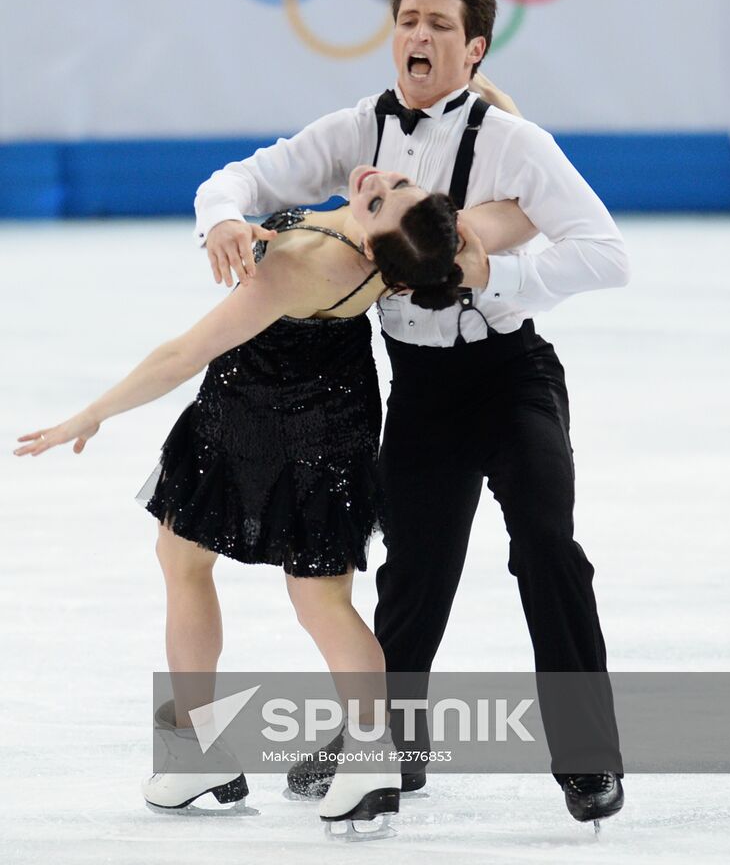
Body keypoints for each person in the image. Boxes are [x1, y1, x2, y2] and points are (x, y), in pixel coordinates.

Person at [193, 0, 630, 828]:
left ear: (474, 51)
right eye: (408, 22)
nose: (418, 36)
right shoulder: (362, 128)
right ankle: (390, 746)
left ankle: (588, 756)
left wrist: (491, 273)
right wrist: (224, 219)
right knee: (414, 573)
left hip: (511, 376)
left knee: (546, 542)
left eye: (438, 25)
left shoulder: (515, 143)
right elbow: (243, 176)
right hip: (421, 388)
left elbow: (607, 255)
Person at [14, 165, 536, 834]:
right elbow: (521, 204)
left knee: (210, 569)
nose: (377, 178)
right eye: (400, 183)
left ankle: (208, 749)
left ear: (377, 250)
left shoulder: (301, 264)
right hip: (337, 411)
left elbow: (184, 354)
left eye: (378, 200)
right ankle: (360, 756)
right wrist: (486, 95)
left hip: (257, 411)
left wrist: (91, 414)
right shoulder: (424, 243)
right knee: (279, 585)